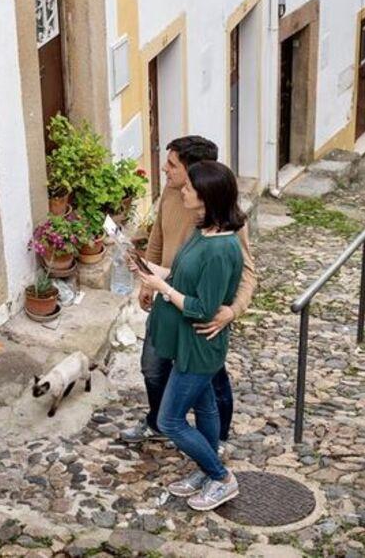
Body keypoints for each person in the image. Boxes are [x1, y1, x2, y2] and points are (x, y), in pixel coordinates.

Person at [119, 136, 257, 448]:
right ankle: (158, 423)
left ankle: (215, 441)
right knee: (152, 368)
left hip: (201, 315)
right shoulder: (169, 195)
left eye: (172, 165)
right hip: (168, 303)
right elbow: (157, 239)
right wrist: (146, 282)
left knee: (211, 383)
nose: (164, 169)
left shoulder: (225, 217)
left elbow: (248, 271)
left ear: (196, 174)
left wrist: (232, 312)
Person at [131, 160, 245, 510]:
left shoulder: (221, 249)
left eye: (189, 189)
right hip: (187, 342)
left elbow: (203, 308)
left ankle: (221, 476)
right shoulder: (202, 230)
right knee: (205, 406)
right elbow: (181, 273)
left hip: (200, 345)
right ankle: (206, 471)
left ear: (207, 196)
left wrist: (161, 286)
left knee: (170, 420)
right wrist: (150, 270)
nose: (182, 190)